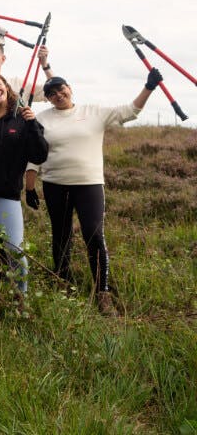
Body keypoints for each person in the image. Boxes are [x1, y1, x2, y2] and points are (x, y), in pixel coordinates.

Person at [25, 70, 162, 316]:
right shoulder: (42, 119)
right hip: (55, 184)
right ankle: (62, 282)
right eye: (51, 93)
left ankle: (103, 292)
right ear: (47, 98)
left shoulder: (93, 112)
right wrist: (30, 186)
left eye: (61, 89)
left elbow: (130, 112)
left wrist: (149, 87)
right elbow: (35, 156)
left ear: (70, 87)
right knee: (61, 234)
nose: (58, 95)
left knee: (94, 235)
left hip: (89, 184)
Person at [0, 74, 49, 314]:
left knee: (13, 248)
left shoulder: (24, 119)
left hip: (8, 193)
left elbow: (39, 155)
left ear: (6, 87)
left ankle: (20, 296)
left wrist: (33, 123)